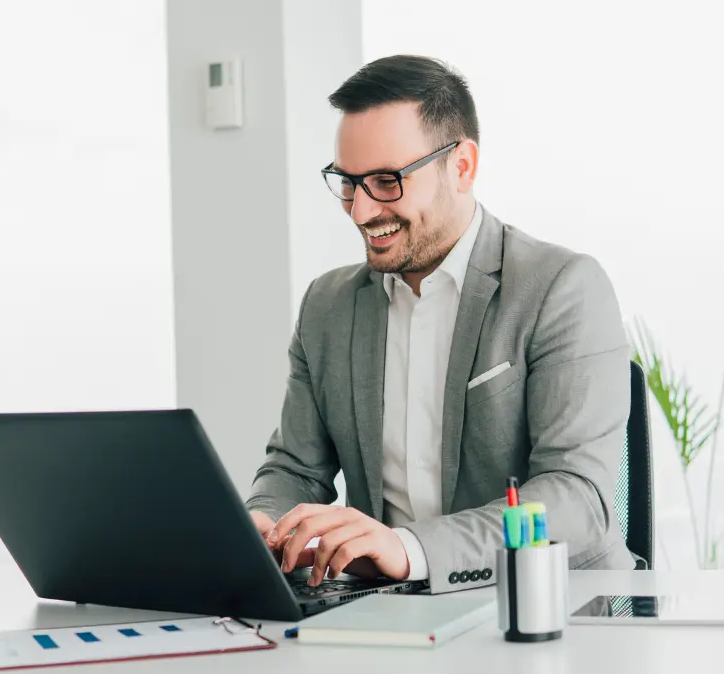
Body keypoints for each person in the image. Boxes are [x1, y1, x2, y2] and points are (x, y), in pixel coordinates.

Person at [245, 55, 635, 594]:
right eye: (348, 182)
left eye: (387, 181)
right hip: (386, 613)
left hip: (541, 611)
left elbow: (577, 500)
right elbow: (295, 468)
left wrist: (408, 549)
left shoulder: (562, 288)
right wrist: (263, 521)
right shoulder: (327, 305)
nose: (360, 211)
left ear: (462, 167)